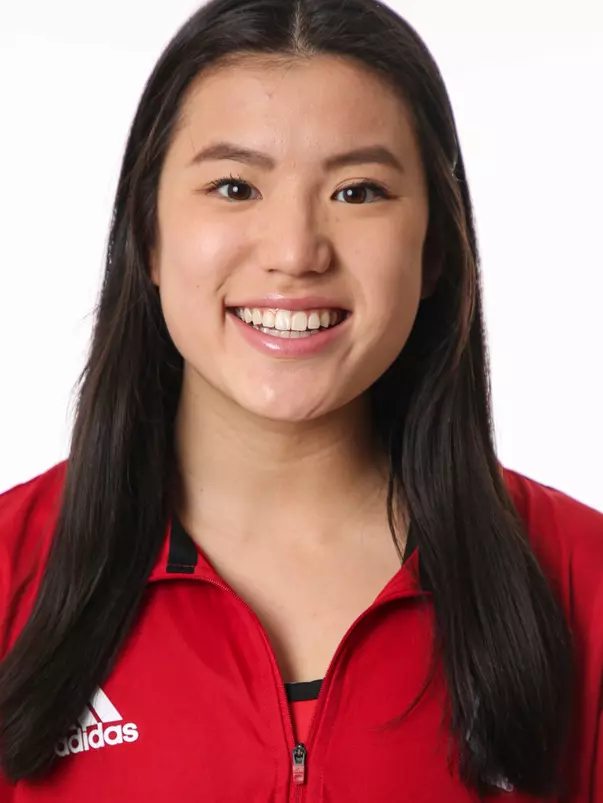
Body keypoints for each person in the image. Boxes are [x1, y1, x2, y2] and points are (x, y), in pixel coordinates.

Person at [0, 0, 601, 800]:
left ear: (433, 254)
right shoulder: (12, 570)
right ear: (147, 235)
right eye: (233, 185)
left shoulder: (578, 575)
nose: (294, 253)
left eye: (358, 192)